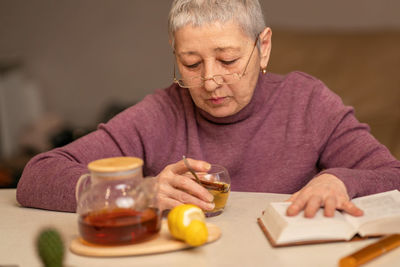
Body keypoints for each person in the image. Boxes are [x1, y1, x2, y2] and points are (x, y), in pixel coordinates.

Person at [17, 0, 400, 218]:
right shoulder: (161, 111)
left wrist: (341, 180)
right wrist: (141, 192)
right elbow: (36, 177)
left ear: (263, 47)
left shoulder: (308, 102)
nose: (210, 80)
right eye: (192, 63)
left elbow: (391, 174)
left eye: (228, 59)